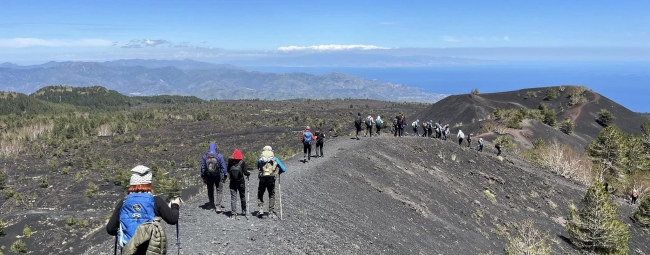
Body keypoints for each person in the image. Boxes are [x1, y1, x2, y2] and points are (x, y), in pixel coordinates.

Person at [106, 165, 180, 254]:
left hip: (128, 249)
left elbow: (110, 229)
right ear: (149, 183)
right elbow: (173, 219)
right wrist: (175, 205)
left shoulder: (123, 202)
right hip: (149, 249)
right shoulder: (155, 200)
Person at [257, 146, 287, 218]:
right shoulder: (275, 159)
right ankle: (270, 212)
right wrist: (279, 171)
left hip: (262, 180)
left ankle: (261, 209)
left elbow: (258, 167)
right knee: (271, 195)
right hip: (271, 180)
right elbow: (284, 169)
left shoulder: (260, 159)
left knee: (260, 193)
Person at [201, 142, 228, 213]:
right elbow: (223, 167)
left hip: (209, 176)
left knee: (210, 190)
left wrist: (203, 177)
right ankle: (218, 206)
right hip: (218, 176)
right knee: (219, 190)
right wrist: (225, 175)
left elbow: (203, 168)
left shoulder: (205, 156)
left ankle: (211, 204)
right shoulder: (219, 156)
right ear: (216, 147)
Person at [227, 149, 250, 218]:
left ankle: (233, 213)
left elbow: (228, 171)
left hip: (232, 182)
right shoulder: (242, 163)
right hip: (241, 182)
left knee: (233, 197)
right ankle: (244, 210)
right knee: (242, 196)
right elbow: (245, 173)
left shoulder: (230, 163)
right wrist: (249, 173)